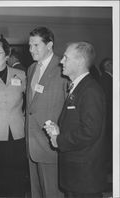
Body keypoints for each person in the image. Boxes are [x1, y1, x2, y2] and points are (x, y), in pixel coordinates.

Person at [44, 41, 108, 198]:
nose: (61, 61)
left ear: (80, 61)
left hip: (85, 176)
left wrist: (59, 140)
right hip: (76, 174)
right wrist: (59, 130)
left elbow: (90, 132)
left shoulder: (90, 90)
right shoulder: (79, 87)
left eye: (66, 58)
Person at [0, 38, 27, 197]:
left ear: (7, 55)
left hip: (17, 134)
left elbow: (31, 105)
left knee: (17, 179)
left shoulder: (22, 75)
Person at [26, 26, 67, 198]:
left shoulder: (63, 68)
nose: (31, 50)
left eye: (36, 45)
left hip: (51, 146)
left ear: (49, 45)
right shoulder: (31, 69)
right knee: (37, 193)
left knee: (52, 193)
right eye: (30, 45)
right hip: (31, 144)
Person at [99, 57, 113, 183]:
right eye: (109, 64)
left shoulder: (110, 78)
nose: (112, 65)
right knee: (109, 143)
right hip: (109, 118)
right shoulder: (105, 79)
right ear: (105, 67)